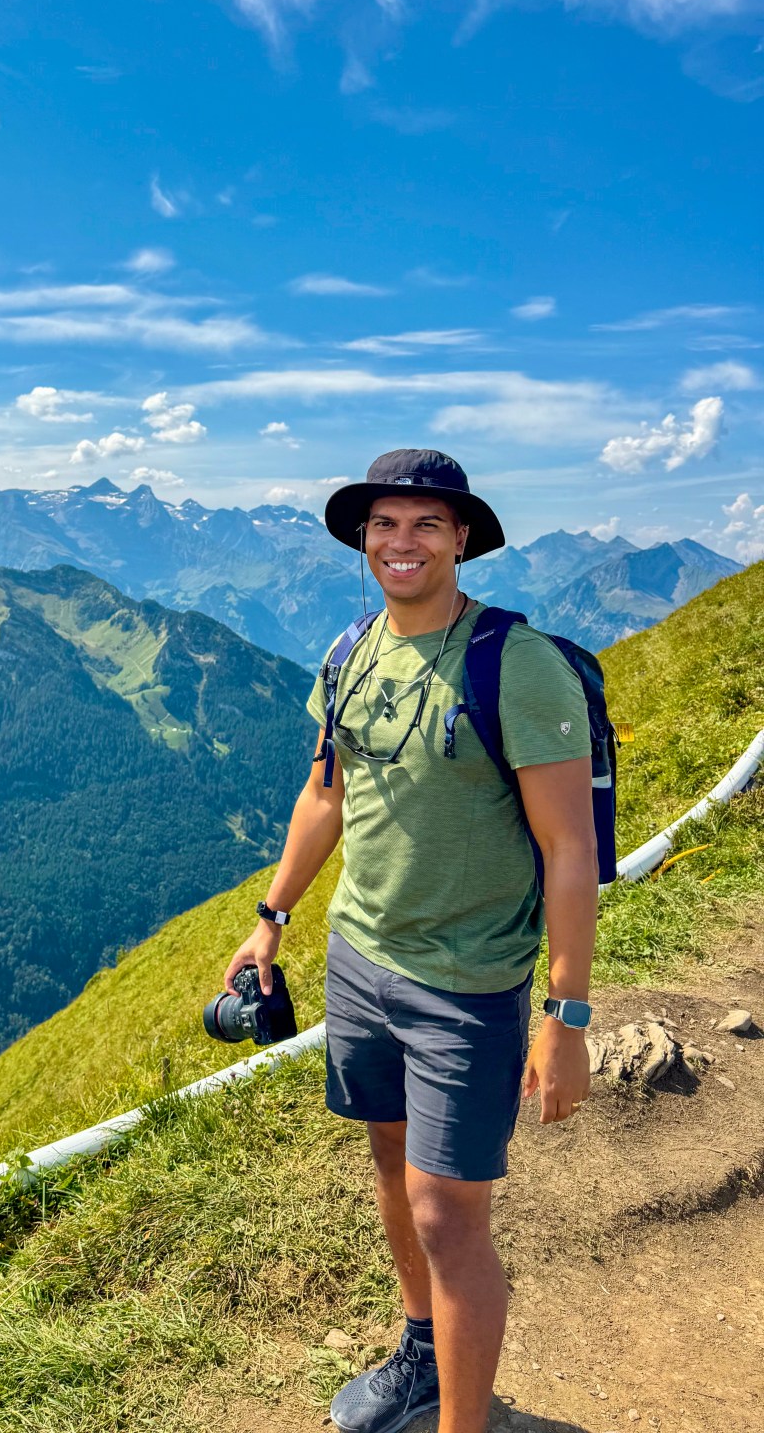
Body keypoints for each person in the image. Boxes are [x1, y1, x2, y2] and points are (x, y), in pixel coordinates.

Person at [223, 449, 598, 1433]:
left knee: (448, 1215)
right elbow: (325, 797)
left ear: (463, 538)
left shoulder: (516, 664)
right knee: (393, 1165)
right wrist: (272, 920)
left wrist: (565, 1016)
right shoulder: (350, 653)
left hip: (468, 984)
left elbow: (570, 848)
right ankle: (423, 1357)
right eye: (384, 524)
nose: (401, 543)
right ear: (362, 538)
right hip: (359, 961)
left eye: (425, 524)